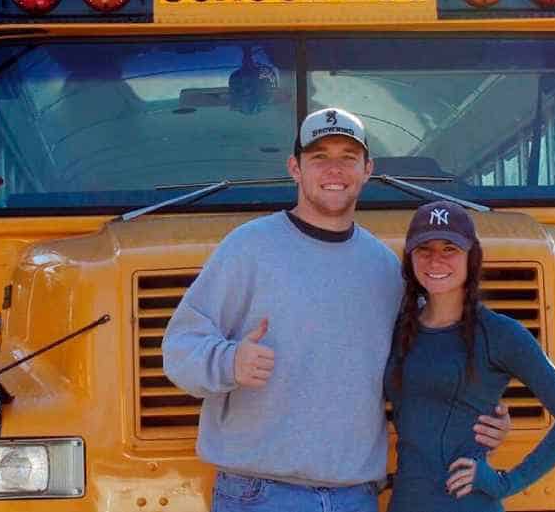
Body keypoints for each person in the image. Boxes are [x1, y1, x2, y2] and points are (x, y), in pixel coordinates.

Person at [162, 108, 511, 512]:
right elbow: (180, 346)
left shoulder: (384, 267)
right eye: (319, 156)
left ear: (367, 169)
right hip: (260, 494)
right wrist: (228, 362)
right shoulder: (248, 248)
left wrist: (483, 416)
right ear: (295, 168)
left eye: (348, 157)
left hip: (355, 495)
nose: (335, 169)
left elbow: (434, 359)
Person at [385, 200, 555, 512]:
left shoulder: (499, 333)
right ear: (410, 257)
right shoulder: (398, 330)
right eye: (424, 249)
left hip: (467, 504)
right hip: (405, 502)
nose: (435, 260)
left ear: (472, 257)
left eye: (450, 249)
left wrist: (506, 482)